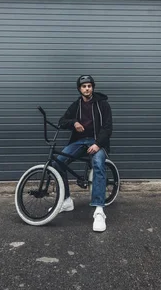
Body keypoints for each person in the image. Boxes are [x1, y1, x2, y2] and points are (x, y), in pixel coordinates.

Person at [57, 75, 113, 232]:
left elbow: (108, 128)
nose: (87, 88)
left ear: (93, 87)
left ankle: (99, 210)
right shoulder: (76, 105)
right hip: (79, 141)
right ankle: (66, 200)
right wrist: (73, 122)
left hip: (97, 142)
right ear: (79, 89)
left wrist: (97, 144)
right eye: (83, 86)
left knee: (98, 164)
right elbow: (62, 121)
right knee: (58, 163)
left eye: (89, 85)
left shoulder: (103, 104)